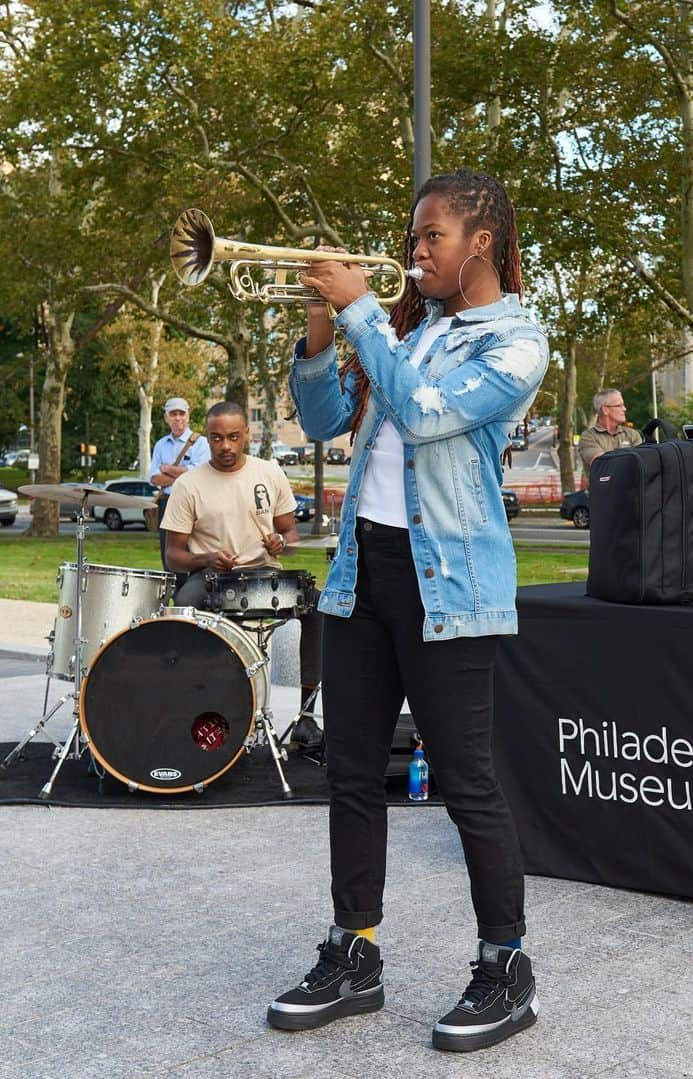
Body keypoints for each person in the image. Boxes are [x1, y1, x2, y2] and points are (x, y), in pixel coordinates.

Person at [272, 169, 547, 1051]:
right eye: (412, 237)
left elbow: (427, 418)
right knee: (351, 771)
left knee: (466, 781)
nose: (414, 252)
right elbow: (319, 420)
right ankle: (356, 948)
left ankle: (506, 964)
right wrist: (322, 326)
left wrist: (357, 314)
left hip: (450, 583)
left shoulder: (516, 341)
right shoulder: (413, 330)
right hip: (364, 570)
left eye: (433, 237)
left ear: (484, 243)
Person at [160, 402, 324, 751]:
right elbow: (173, 556)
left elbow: (291, 536)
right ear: (208, 438)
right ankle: (196, 708)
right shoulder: (190, 485)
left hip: (265, 573)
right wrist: (204, 558)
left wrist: (281, 542)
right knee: (182, 603)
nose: (226, 447)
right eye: (217, 438)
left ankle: (305, 718)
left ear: (246, 434)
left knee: (321, 609)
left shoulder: (269, 473)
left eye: (234, 437)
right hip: (213, 577)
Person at [149, 397, 210, 570]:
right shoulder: (161, 444)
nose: (178, 418)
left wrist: (167, 468)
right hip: (167, 502)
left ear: (188, 416)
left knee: (195, 553)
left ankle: (193, 594)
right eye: (173, 414)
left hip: (194, 503)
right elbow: (153, 477)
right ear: (166, 417)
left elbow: (200, 473)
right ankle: (174, 594)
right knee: (168, 556)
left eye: (181, 413)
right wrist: (185, 472)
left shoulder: (201, 443)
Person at [577, 388, 642, 476]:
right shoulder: (588, 437)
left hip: (632, 489)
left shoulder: (633, 435)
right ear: (605, 410)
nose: (624, 409)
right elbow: (603, 464)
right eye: (619, 405)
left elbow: (641, 463)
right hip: (602, 489)